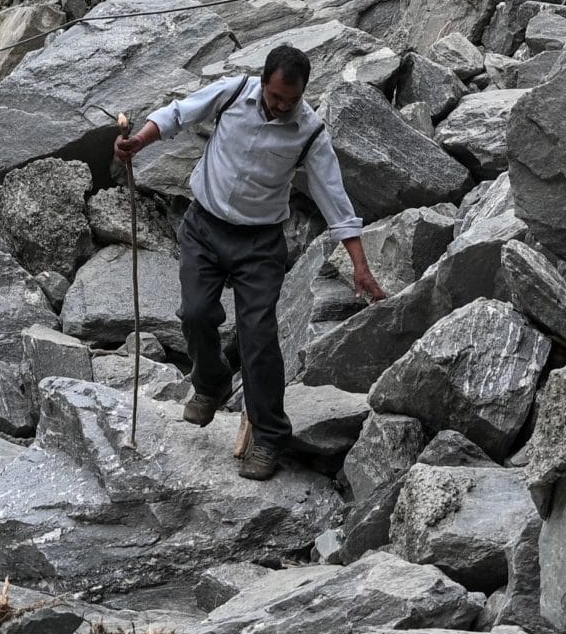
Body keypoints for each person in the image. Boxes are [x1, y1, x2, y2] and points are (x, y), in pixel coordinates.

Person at [115, 43, 383, 480]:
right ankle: (212, 383)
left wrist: (360, 264)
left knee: (257, 337)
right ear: (263, 82)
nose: (281, 107)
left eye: (290, 101)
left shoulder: (310, 131)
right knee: (196, 313)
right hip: (204, 227)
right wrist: (139, 142)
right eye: (276, 97)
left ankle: (270, 436)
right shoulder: (233, 91)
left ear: (302, 94)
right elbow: (179, 113)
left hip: (259, 244)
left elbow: (334, 197)